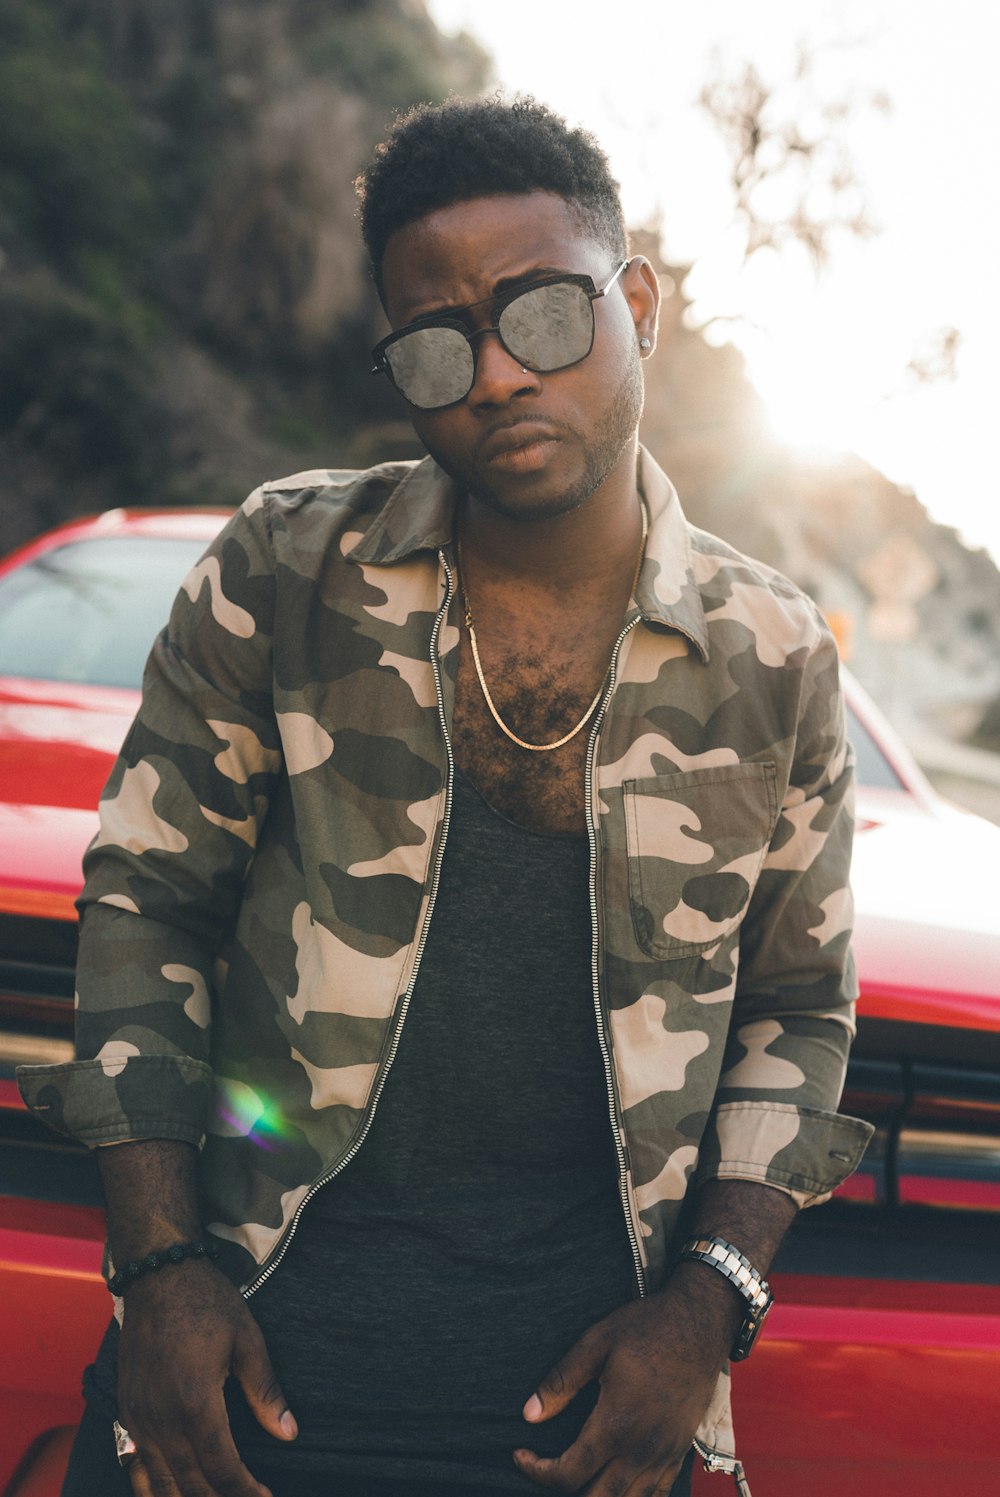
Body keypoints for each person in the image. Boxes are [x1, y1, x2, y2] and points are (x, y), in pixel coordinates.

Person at [19, 95, 872, 1497]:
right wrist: (161, 1272)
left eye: (541, 314)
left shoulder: (770, 657)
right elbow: (145, 910)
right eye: (437, 342)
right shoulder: (282, 573)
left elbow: (799, 1006)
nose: (492, 375)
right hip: (237, 1396)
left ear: (636, 303)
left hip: (592, 1427)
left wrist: (705, 1311)